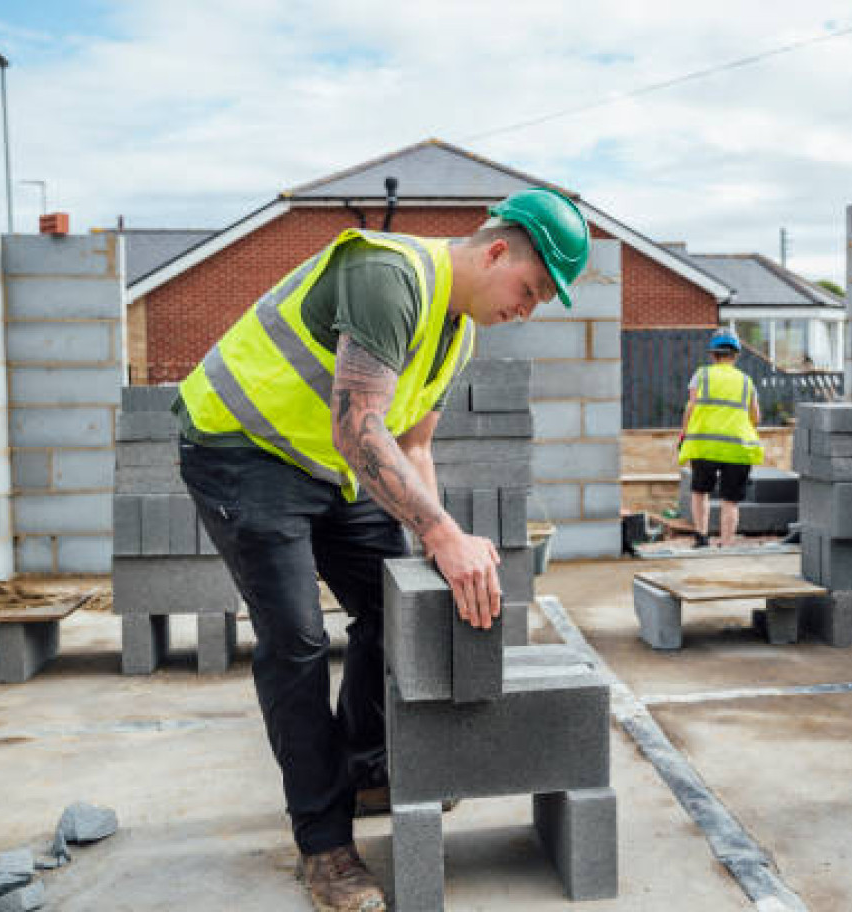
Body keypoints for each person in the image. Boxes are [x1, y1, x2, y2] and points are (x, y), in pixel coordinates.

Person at [172, 187, 590, 912]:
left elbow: (413, 444)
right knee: (298, 639)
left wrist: (440, 546)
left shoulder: (456, 332)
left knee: (393, 606)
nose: (527, 310)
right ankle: (326, 844)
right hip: (240, 450)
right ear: (496, 251)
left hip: (329, 469)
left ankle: (366, 767)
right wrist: (440, 532)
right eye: (530, 290)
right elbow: (357, 425)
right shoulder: (389, 276)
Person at [677, 330, 764, 548]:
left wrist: (683, 434)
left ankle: (701, 537)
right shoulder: (746, 381)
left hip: (705, 445)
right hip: (737, 449)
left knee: (700, 491)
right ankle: (726, 543)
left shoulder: (702, 375)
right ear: (735, 355)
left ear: (713, 355)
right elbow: (756, 417)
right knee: (730, 500)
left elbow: (691, 407)